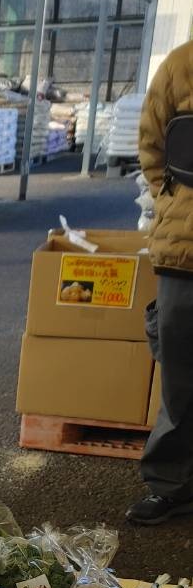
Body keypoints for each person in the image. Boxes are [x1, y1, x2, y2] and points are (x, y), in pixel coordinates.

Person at [128, 38, 193, 524]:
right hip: (184, 250)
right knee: (179, 371)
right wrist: (173, 203)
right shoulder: (182, 65)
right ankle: (172, 483)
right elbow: (153, 145)